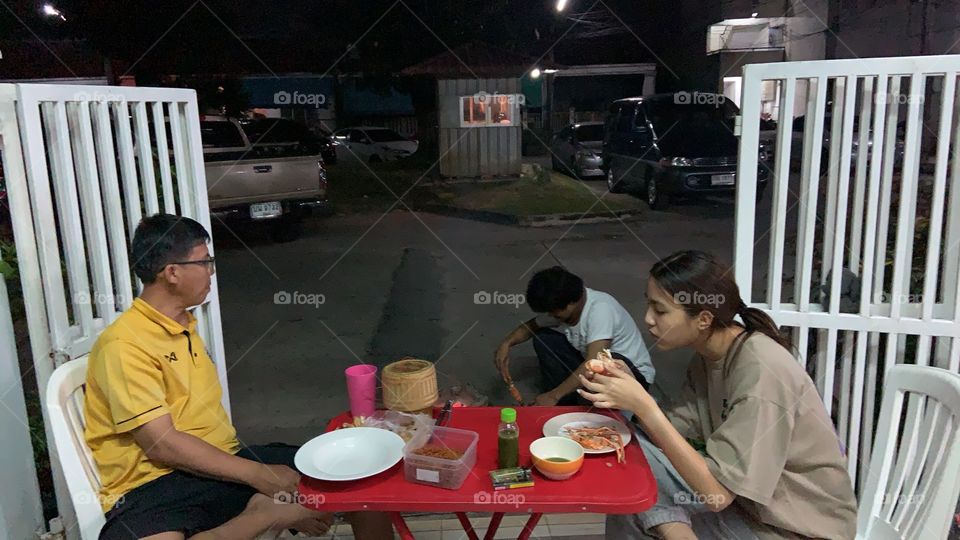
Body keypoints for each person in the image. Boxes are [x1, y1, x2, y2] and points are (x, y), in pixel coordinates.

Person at [84, 214, 392, 540]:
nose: (212, 271)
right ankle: (263, 517)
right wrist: (259, 475)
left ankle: (263, 512)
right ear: (172, 272)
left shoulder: (183, 325)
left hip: (222, 467)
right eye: (205, 262)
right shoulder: (124, 344)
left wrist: (253, 473)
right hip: (154, 485)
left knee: (359, 479)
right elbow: (163, 446)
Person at [577, 251, 857, 539]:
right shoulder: (707, 359)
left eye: (660, 311)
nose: (648, 319)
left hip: (793, 529)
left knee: (640, 478)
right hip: (748, 511)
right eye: (649, 305)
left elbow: (717, 494)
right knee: (635, 467)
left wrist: (645, 406)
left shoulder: (762, 371)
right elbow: (673, 434)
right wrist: (628, 389)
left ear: (703, 319)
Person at [495, 266, 655, 406]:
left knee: (604, 362)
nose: (551, 315)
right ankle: (564, 402)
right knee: (544, 338)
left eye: (555, 313)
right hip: (595, 365)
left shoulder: (600, 310)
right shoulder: (564, 305)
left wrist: (553, 395)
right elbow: (530, 326)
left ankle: (613, 411)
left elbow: (595, 360)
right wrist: (506, 344)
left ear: (572, 303)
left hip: (632, 376)